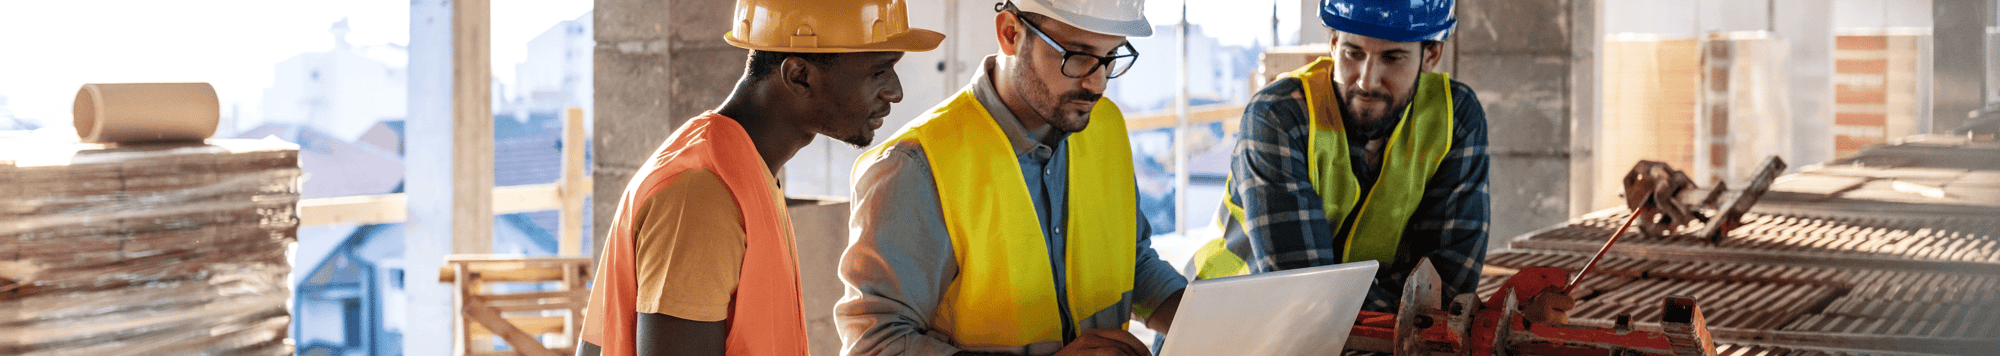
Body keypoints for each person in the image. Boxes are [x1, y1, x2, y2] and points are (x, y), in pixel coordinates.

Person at [576, 0, 940, 355]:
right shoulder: (702, 196)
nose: (895, 91)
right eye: (879, 70)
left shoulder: (744, 170)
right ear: (799, 75)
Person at [835, 0, 1186, 355]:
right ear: (1010, 33)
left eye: (1111, 57)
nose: (1096, 83)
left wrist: (1203, 317)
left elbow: (1132, 262)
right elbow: (875, 344)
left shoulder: (1105, 125)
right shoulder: (916, 167)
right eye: (1078, 55)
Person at [1189, 0, 1490, 314]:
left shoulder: (1455, 117)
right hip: (1222, 322)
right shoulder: (1280, 116)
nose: (1366, 81)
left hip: (1350, 335)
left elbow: (1448, 282)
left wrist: (1399, 313)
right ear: (1333, 44)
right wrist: (1406, 309)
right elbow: (1303, 292)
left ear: (1431, 55)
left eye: (1392, 57)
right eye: (1353, 53)